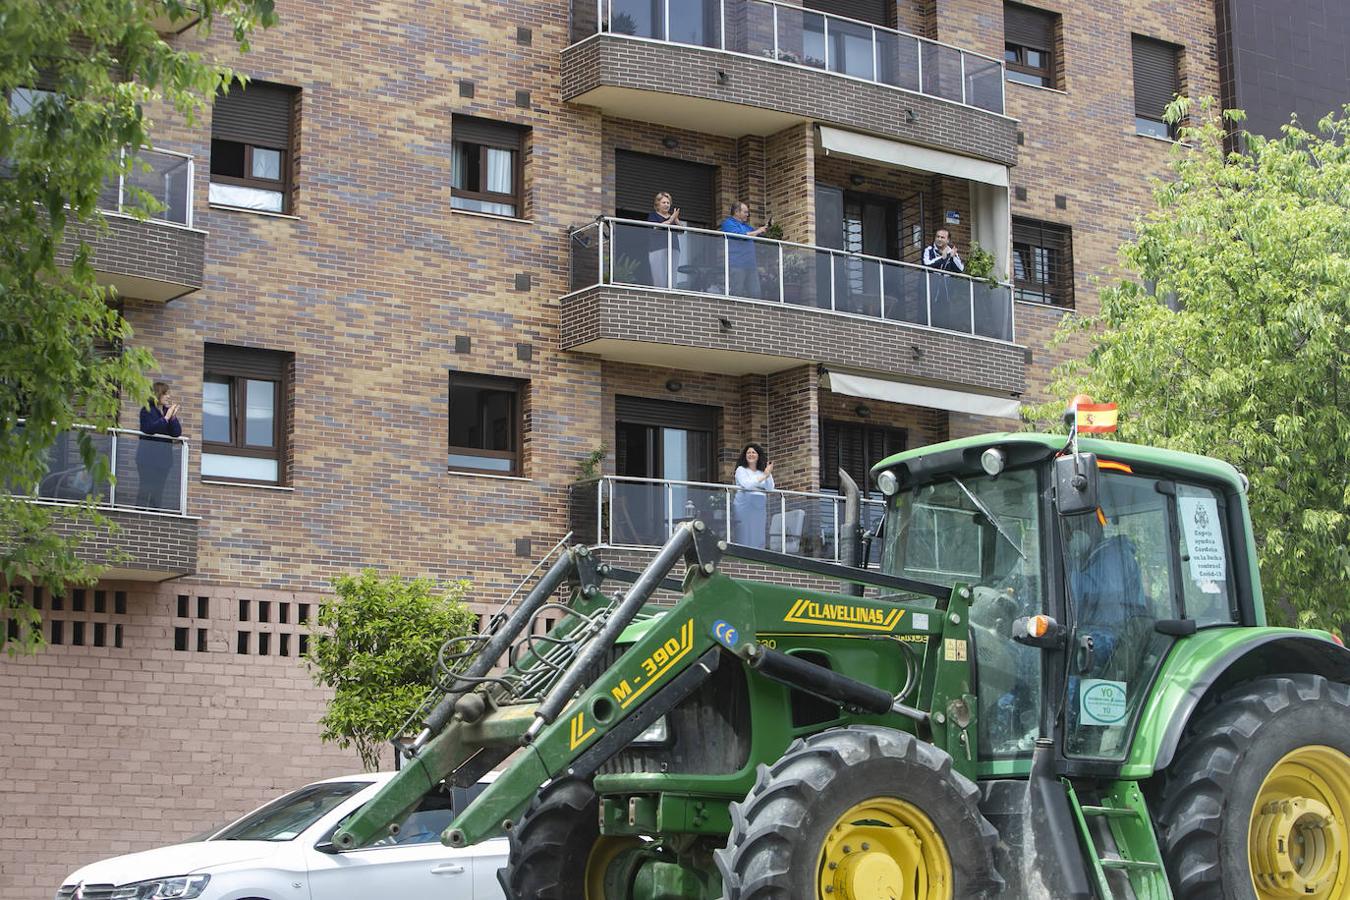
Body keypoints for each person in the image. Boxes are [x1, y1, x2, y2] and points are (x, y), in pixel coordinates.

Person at [136, 381, 182, 509]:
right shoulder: (147, 410)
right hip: (147, 458)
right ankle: (140, 514)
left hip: (164, 460)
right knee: (145, 488)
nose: (168, 396)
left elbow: (176, 433)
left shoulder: (167, 411)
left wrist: (172, 418)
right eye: (165, 394)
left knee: (158, 491)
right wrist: (165, 419)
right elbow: (149, 428)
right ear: (157, 394)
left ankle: (155, 516)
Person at [719, 201, 771, 298]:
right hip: (737, 264)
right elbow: (740, 235)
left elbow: (757, 233)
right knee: (737, 292)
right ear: (737, 212)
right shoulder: (728, 223)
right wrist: (757, 231)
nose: (747, 215)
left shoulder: (746, 226)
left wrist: (765, 228)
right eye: (745, 212)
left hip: (751, 265)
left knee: (756, 294)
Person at [732, 443, 774, 548]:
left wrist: (767, 475)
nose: (751, 454)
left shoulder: (762, 471)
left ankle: (758, 555)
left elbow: (770, 488)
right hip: (744, 505)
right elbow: (747, 485)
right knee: (744, 530)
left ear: (758, 455)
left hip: (759, 506)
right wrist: (764, 476)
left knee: (758, 531)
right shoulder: (741, 470)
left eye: (753, 452)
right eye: (748, 453)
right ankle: (742, 555)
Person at [647, 191, 682, 288]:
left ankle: (672, 293)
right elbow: (655, 228)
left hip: (674, 248)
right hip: (658, 248)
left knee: (672, 276)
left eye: (668, 203)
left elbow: (681, 231)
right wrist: (671, 219)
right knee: (659, 277)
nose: (666, 205)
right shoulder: (653, 215)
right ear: (657, 204)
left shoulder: (672, 217)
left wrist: (676, 219)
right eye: (664, 202)